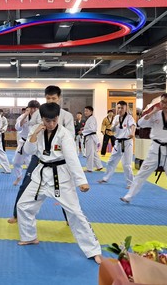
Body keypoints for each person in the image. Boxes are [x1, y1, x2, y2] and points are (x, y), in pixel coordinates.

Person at [16, 102, 102, 264]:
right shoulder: (38, 131)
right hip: (41, 175)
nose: (51, 124)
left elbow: (72, 158)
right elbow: (28, 151)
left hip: (60, 176)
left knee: (75, 213)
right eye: (47, 121)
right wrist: (34, 135)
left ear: (58, 118)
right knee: (23, 205)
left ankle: (93, 249)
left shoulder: (64, 134)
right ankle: (29, 236)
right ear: (42, 119)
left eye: (54, 120)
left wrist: (81, 181)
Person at [8, 85, 75, 224]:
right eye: (48, 98)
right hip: (39, 157)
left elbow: (70, 137)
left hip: (58, 159)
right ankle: (16, 214)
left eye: (54, 98)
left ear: (59, 98)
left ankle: (70, 218)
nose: (51, 101)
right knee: (25, 184)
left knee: (64, 190)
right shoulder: (38, 114)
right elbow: (31, 132)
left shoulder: (66, 116)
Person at [120, 93, 167, 213]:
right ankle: (129, 196)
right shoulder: (155, 115)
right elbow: (141, 124)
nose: (164, 104)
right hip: (155, 149)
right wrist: (152, 112)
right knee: (141, 174)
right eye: (163, 102)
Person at [97, 101, 136, 188]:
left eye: (122, 108)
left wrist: (132, 133)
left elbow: (133, 125)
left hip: (127, 142)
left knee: (126, 164)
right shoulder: (116, 118)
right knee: (111, 161)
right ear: (116, 108)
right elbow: (112, 129)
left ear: (126, 108)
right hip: (118, 142)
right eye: (118, 108)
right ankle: (105, 178)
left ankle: (131, 183)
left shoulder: (129, 118)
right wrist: (115, 125)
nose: (120, 109)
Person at [12, 101, 40, 186]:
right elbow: (17, 128)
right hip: (23, 142)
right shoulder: (23, 117)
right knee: (16, 162)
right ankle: (19, 176)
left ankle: (34, 181)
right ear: (28, 108)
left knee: (31, 164)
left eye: (35, 108)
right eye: (32, 108)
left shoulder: (40, 118)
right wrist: (25, 116)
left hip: (34, 144)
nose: (33, 110)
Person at [82, 106, 104, 172]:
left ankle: (89, 168)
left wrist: (82, 131)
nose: (85, 112)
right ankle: (99, 166)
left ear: (91, 112)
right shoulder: (90, 118)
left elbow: (92, 129)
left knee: (89, 153)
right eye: (85, 111)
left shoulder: (91, 119)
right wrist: (84, 130)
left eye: (87, 111)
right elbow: (90, 128)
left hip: (91, 138)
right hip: (91, 137)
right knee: (93, 153)